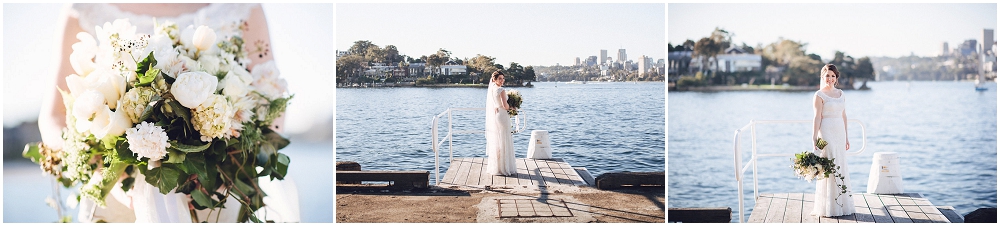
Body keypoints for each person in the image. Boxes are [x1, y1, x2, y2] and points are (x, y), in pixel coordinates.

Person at [37, 3, 295, 223]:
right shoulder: (84, 10)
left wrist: (231, 167)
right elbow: (53, 117)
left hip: (216, 193)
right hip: (118, 200)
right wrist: (108, 174)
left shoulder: (241, 7)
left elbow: (271, 96)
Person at [811, 64, 855, 217]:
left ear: (836, 78)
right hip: (826, 132)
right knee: (828, 166)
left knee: (840, 164)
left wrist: (847, 137)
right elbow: (817, 118)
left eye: (833, 76)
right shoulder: (819, 95)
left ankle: (842, 205)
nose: (830, 78)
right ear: (823, 77)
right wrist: (814, 137)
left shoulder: (841, 93)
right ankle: (828, 207)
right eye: (827, 75)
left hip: (840, 133)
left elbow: (844, 116)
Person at [484, 71, 517, 176]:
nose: (502, 80)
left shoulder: (493, 89)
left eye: (503, 78)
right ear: (494, 79)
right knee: (504, 139)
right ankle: (505, 167)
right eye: (500, 79)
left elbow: (496, 104)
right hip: (502, 115)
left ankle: (498, 166)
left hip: (497, 115)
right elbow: (505, 106)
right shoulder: (501, 90)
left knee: (499, 140)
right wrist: (512, 107)